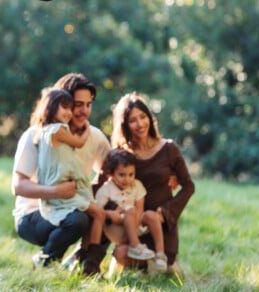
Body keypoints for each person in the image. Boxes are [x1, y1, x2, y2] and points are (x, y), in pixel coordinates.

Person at [12, 73, 110, 274]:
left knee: (109, 209)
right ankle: (46, 262)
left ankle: (87, 266)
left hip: (71, 205)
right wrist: (56, 190)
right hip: (33, 215)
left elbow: (111, 172)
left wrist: (90, 193)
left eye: (88, 104)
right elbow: (18, 186)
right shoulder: (37, 135)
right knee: (78, 219)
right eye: (77, 104)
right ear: (59, 103)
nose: (84, 111)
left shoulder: (95, 136)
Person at [109, 92, 195, 274]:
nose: (140, 124)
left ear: (150, 117)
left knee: (166, 261)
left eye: (143, 117)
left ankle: (159, 263)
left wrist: (166, 212)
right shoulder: (122, 155)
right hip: (135, 225)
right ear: (125, 125)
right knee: (120, 253)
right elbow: (105, 184)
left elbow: (189, 186)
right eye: (133, 120)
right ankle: (148, 266)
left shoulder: (169, 148)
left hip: (160, 225)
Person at [30, 88, 107, 267]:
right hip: (64, 190)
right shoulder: (58, 130)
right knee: (99, 213)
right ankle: (88, 261)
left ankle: (83, 259)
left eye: (70, 108)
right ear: (50, 108)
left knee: (96, 214)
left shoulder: (43, 131)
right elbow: (79, 142)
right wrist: (87, 128)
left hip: (64, 186)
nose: (69, 113)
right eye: (63, 108)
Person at [95, 148, 166, 271]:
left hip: (135, 223)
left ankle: (160, 255)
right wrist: (111, 214)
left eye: (131, 174)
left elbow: (139, 210)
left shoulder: (137, 185)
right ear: (111, 174)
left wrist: (133, 216)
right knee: (129, 210)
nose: (127, 179)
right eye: (121, 175)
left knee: (150, 215)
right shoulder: (106, 190)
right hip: (117, 229)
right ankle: (135, 245)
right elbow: (98, 212)